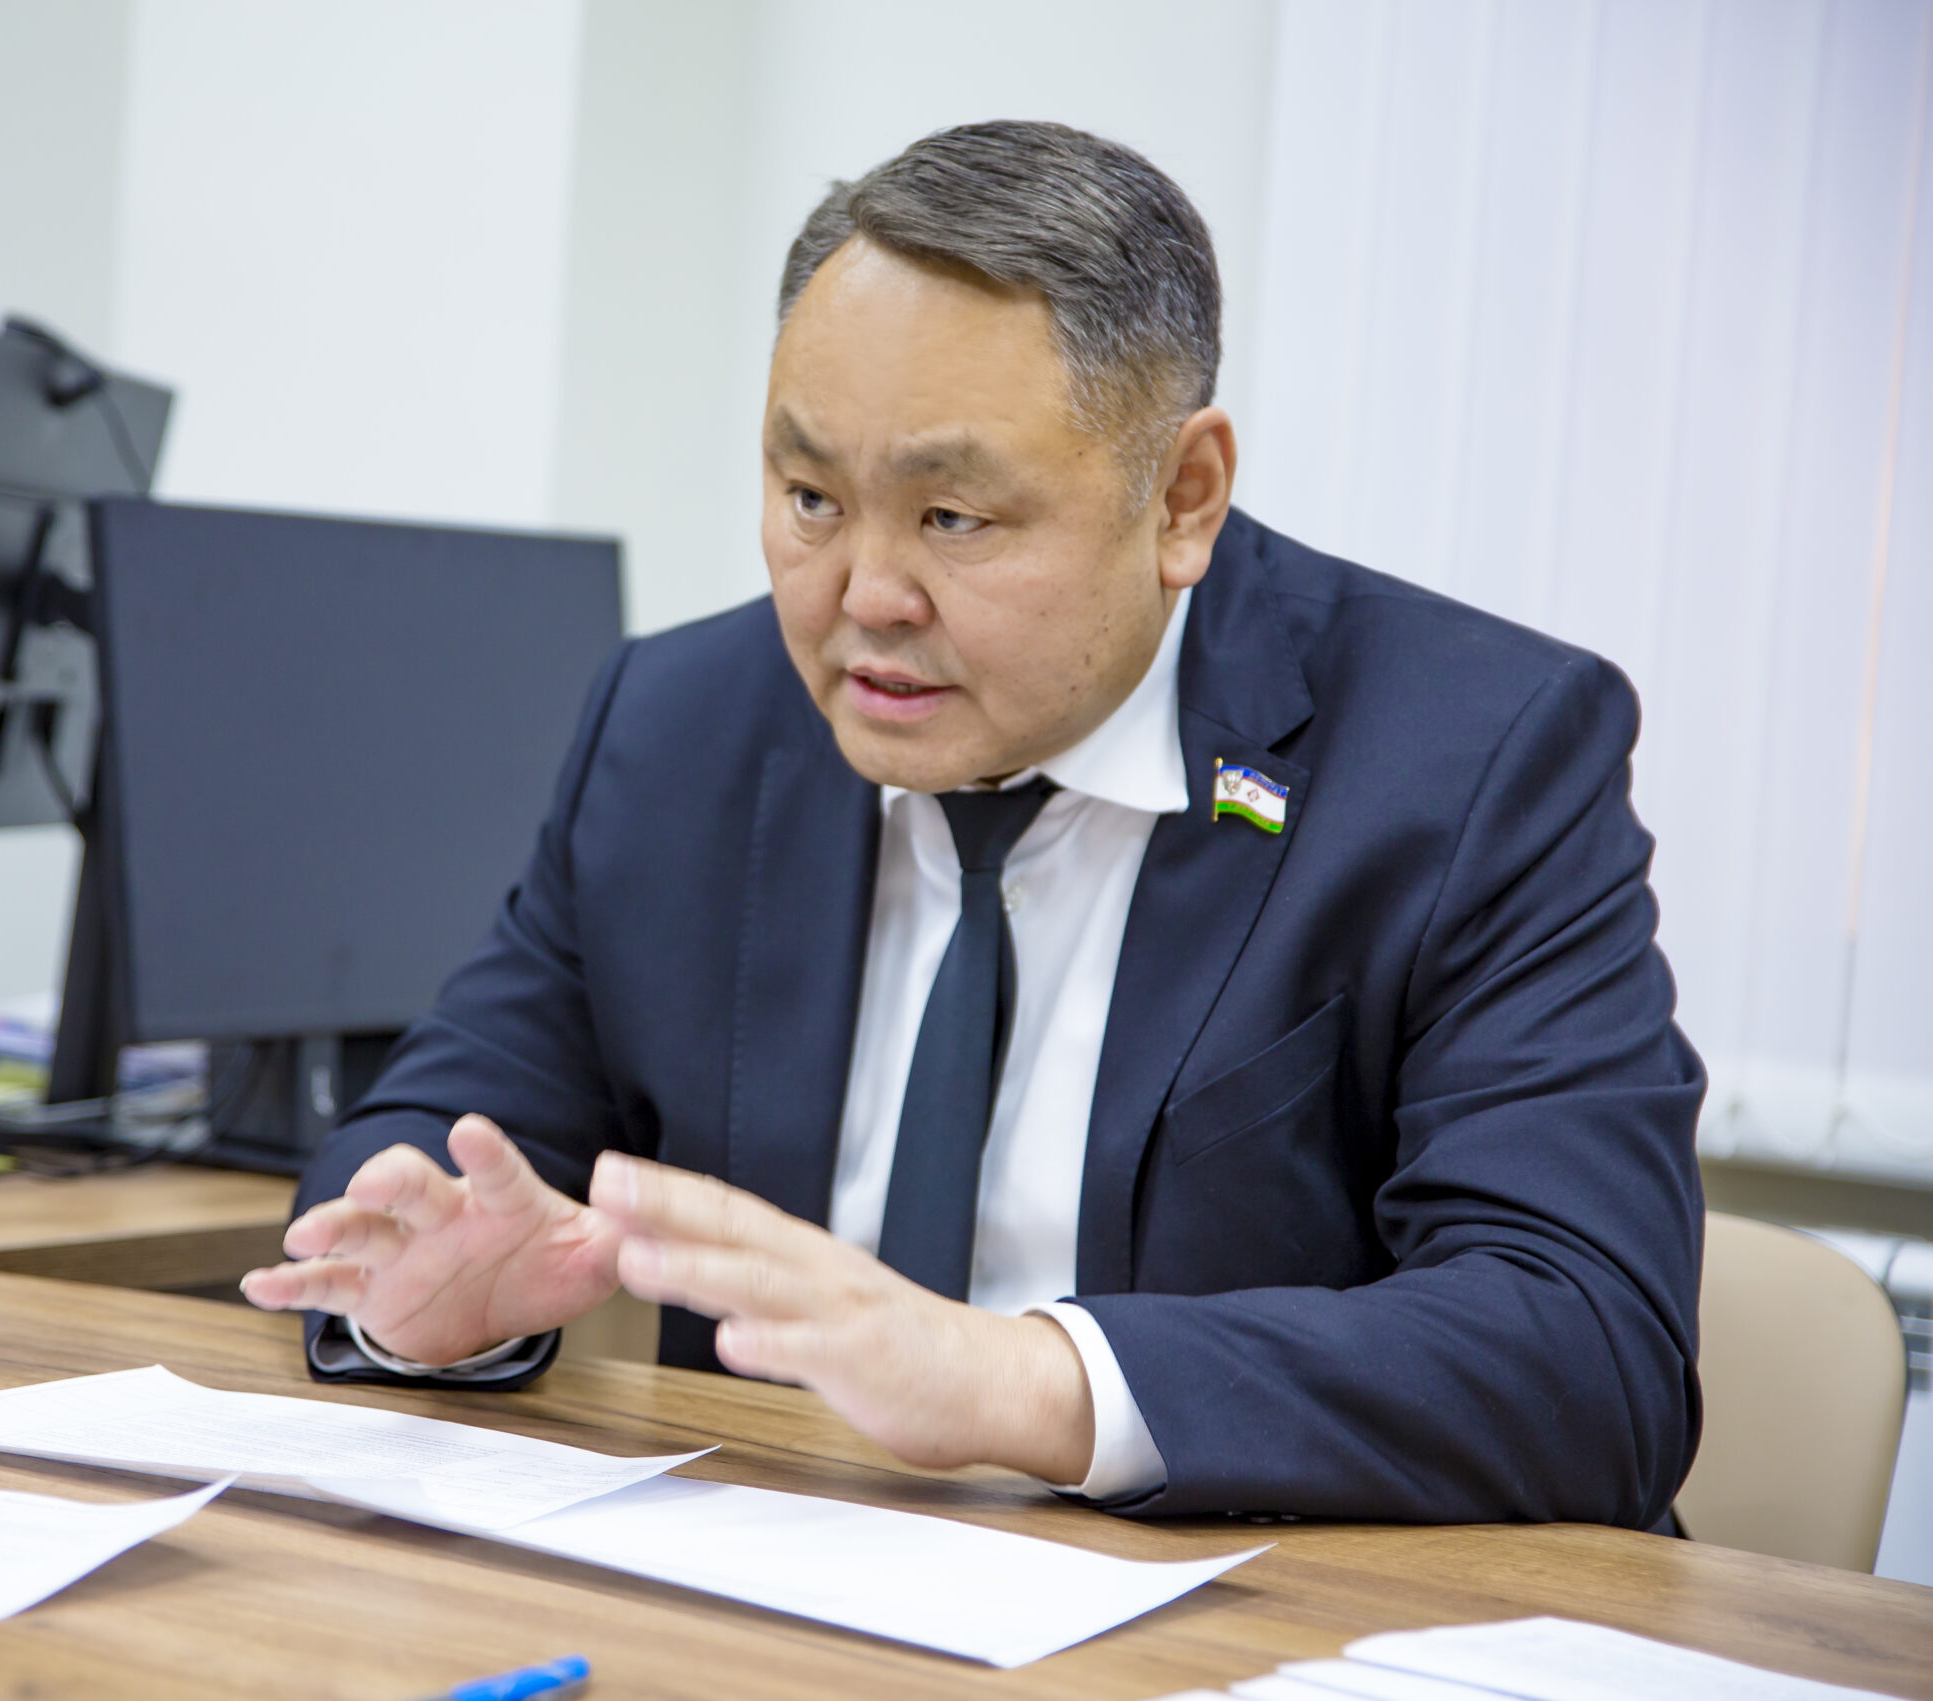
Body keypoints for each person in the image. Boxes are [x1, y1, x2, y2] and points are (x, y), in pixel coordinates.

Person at [240, 120, 1705, 1527]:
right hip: (768, 1601)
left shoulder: (1468, 759)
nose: (865, 596)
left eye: (954, 519)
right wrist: (430, 1292)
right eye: (810, 496)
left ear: (1182, 498)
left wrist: (1018, 1382)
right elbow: (432, 1146)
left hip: (1246, 1618)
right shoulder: (683, 729)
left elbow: (1588, 1347)